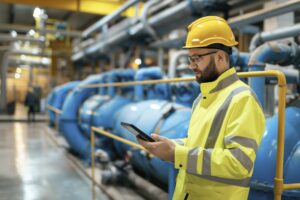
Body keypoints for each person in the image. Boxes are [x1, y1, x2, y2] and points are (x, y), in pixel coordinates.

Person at [137, 16, 265, 200]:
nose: (191, 65)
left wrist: (176, 153)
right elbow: (198, 145)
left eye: (196, 58)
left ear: (220, 57)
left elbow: (239, 162)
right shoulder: (203, 98)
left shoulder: (242, 99)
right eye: (190, 58)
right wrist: (171, 145)